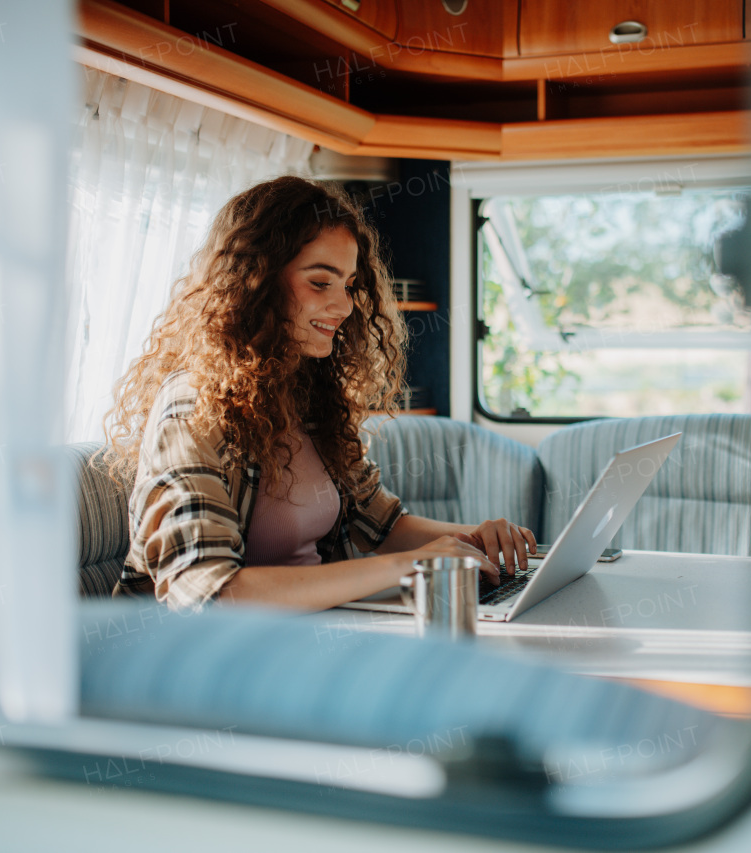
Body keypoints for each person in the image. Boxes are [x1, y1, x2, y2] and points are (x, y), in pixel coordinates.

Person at [100, 176, 535, 612]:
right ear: (255, 282)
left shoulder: (308, 395)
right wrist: (413, 565)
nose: (345, 307)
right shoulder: (193, 407)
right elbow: (210, 593)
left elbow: (384, 525)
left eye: (347, 285)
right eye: (320, 283)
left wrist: (475, 541)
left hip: (311, 639)